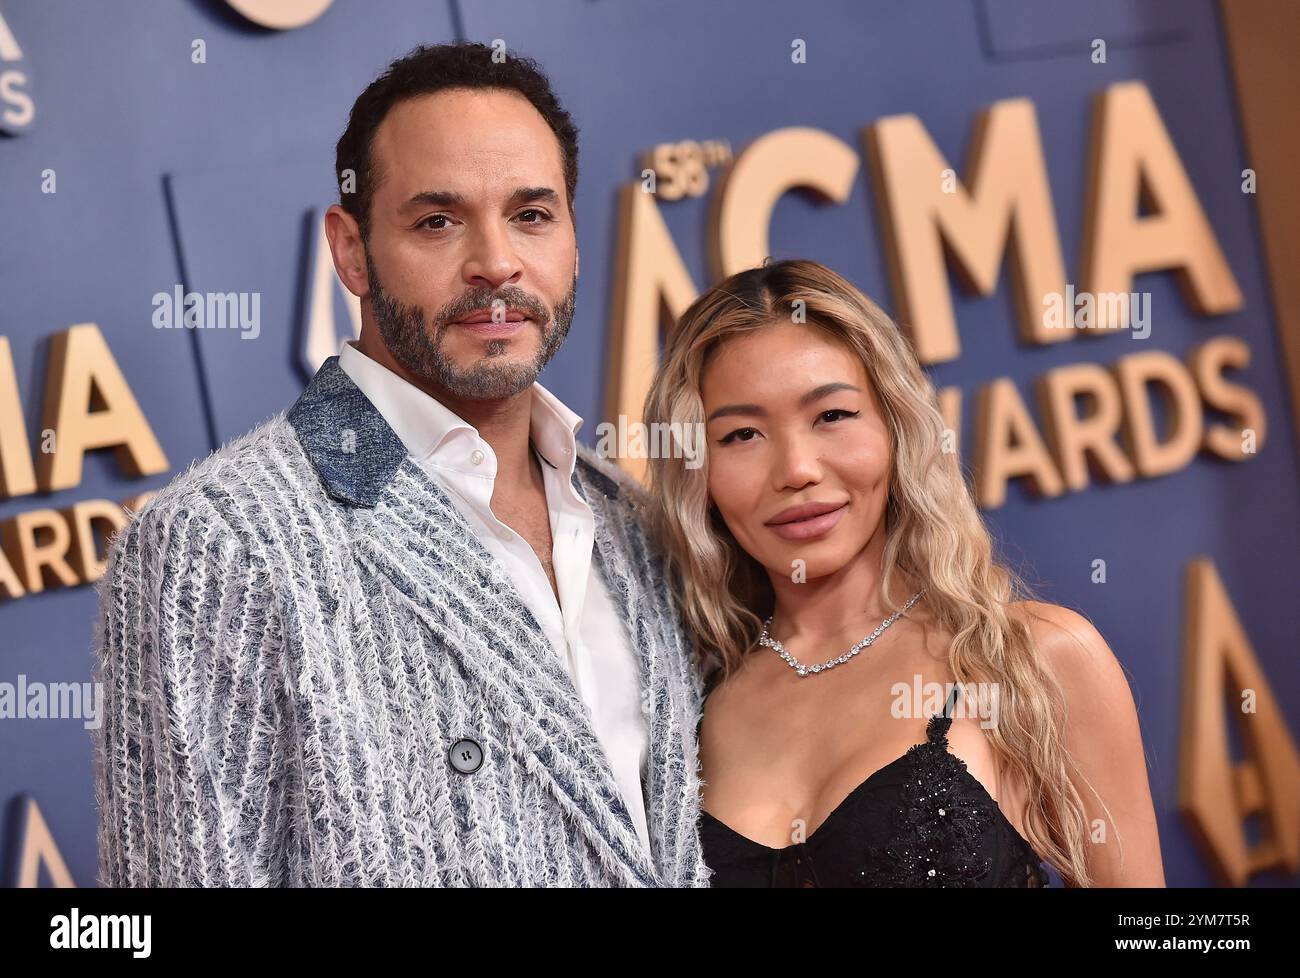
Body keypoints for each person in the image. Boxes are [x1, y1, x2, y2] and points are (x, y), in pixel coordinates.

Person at [91, 41, 710, 887]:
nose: (497, 263)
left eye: (532, 215)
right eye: (438, 221)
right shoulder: (216, 543)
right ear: (351, 251)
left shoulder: (631, 518)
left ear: (571, 236)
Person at [642, 258, 1166, 887]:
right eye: (743, 434)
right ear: (698, 471)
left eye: (831, 416)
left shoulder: (1033, 658)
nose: (797, 469)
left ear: (896, 428)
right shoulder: (684, 714)